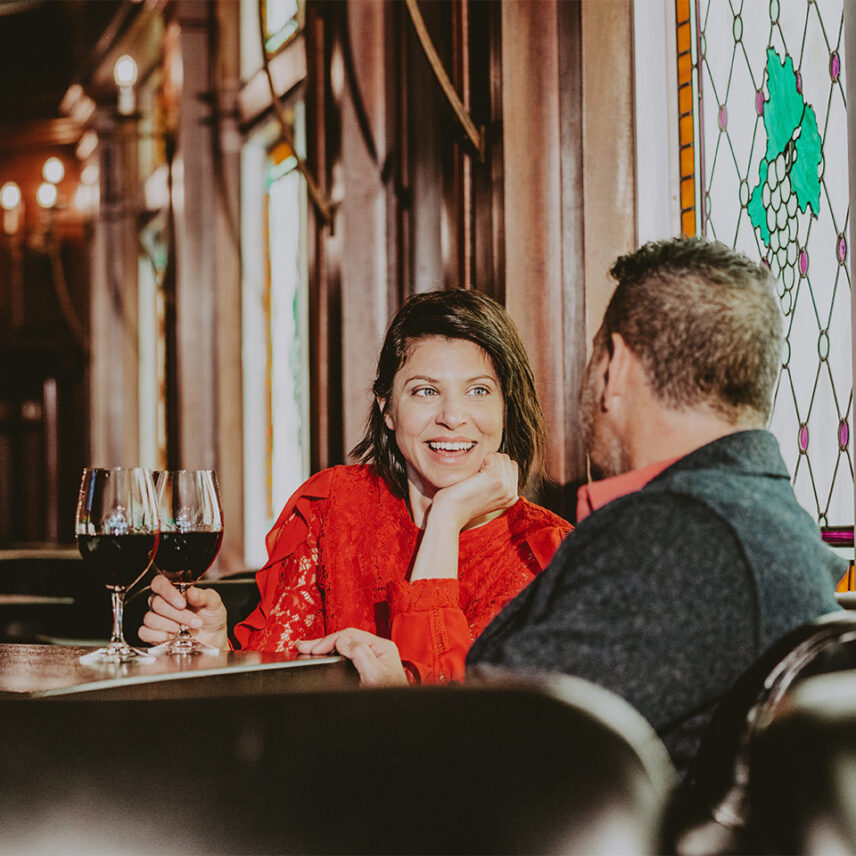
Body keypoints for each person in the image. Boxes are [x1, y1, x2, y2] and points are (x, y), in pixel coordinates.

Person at [300, 237, 845, 776]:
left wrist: (393, 699)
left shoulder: (677, 539)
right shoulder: (766, 518)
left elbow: (476, 764)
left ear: (616, 368)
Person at [139, 288, 572, 683]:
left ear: (506, 407)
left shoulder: (546, 553)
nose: (453, 416)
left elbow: (448, 724)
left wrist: (446, 517)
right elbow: (278, 687)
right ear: (387, 408)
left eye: (478, 391)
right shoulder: (333, 507)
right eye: (425, 391)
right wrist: (217, 652)